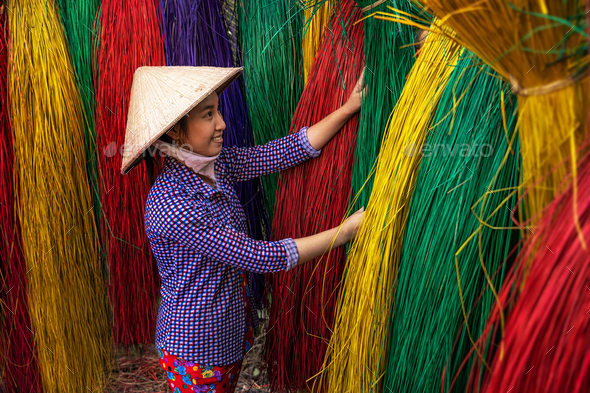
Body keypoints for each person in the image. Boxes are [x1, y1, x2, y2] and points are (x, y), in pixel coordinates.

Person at [121, 66, 365, 393]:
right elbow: (260, 256)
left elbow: (278, 154)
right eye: (208, 115)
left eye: (217, 110)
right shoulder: (174, 205)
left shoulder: (214, 164)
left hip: (227, 332)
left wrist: (348, 108)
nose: (221, 123)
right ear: (176, 131)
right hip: (197, 350)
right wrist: (345, 233)